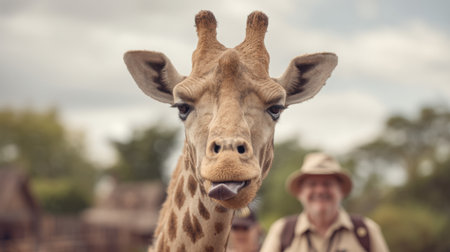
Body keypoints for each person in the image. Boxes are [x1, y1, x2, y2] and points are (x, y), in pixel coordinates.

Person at [260, 152, 389, 252]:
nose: (320, 190)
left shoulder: (366, 230)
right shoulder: (282, 230)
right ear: (300, 192)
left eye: (327, 184)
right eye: (312, 184)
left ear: (341, 191)